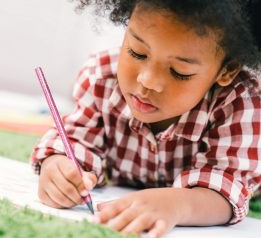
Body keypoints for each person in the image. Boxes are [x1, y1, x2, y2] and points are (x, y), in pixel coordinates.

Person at [31, 1, 261, 237]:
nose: (148, 80)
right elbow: (75, 140)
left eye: (179, 72)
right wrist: (59, 167)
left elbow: (228, 187)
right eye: (136, 52)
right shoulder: (101, 77)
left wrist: (178, 204)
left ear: (227, 71)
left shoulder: (240, 102)